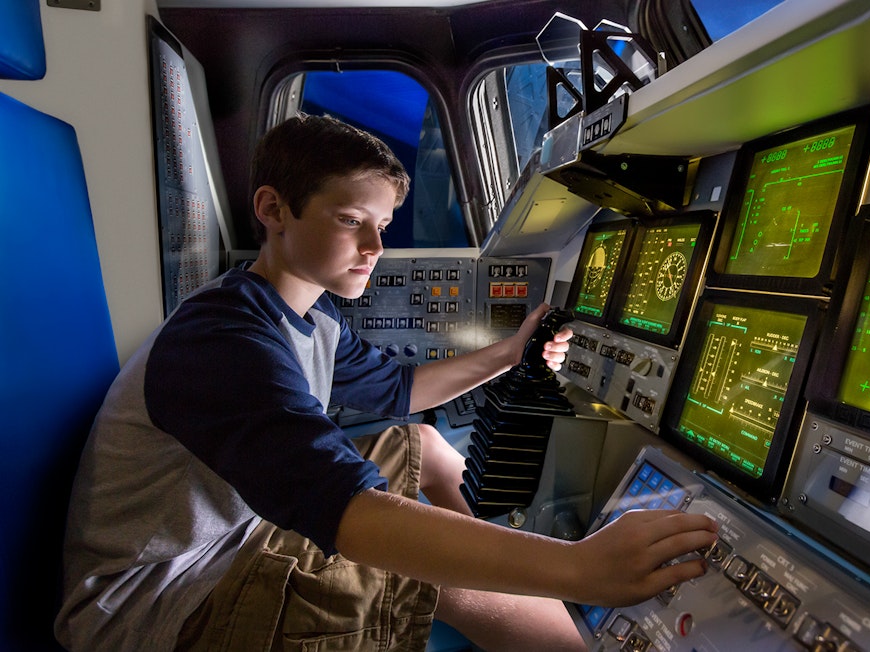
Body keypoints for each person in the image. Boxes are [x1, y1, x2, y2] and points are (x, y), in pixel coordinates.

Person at [55, 113, 719, 652]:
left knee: (419, 442)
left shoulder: (309, 320)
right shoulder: (223, 339)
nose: (374, 247)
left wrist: (511, 354)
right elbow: (346, 512)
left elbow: (402, 391)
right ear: (273, 208)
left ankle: (528, 581)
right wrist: (580, 569)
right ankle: (548, 587)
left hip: (237, 534)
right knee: (438, 577)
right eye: (350, 221)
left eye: (382, 225)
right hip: (157, 605)